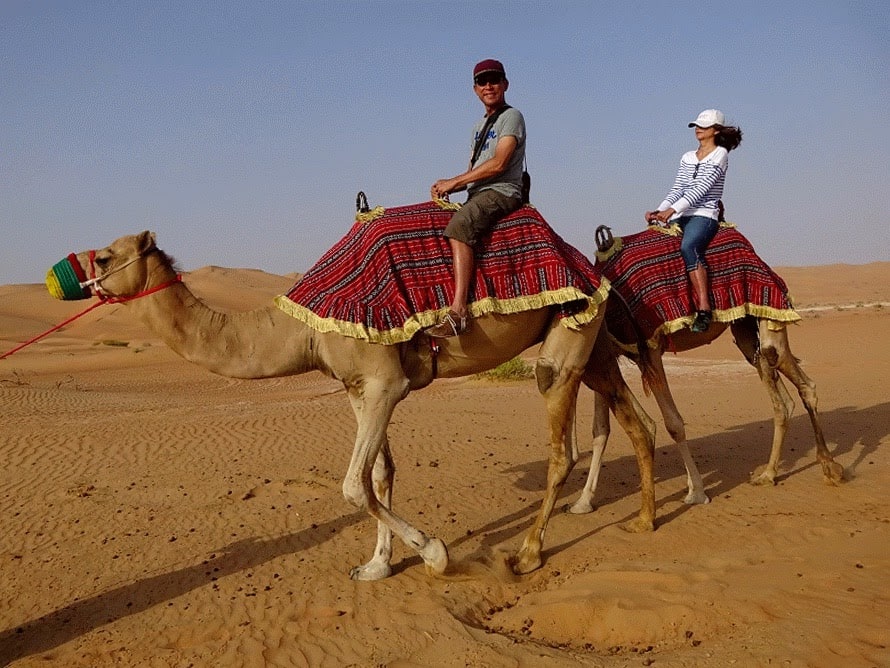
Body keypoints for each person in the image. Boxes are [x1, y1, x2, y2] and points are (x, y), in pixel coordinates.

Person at [426, 58, 526, 338]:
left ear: (505, 84)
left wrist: (455, 181)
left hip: (503, 191)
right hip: (478, 192)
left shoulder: (512, 117)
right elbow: (475, 172)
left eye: (494, 80)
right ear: (475, 89)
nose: (489, 86)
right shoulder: (477, 128)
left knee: (460, 226)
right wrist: (448, 188)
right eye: (482, 82)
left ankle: (458, 313)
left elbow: (499, 164)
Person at [645, 109, 743, 333]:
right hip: (680, 215)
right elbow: (678, 187)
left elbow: (702, 188)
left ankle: (704, 309)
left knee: (689, 247)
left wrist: (672, 210)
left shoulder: (720, 154)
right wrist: (659, 209)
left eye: (704, 126)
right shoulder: (687, 157)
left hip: (704, 214)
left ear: (716, 131)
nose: (698, 129)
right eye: (696, 126)